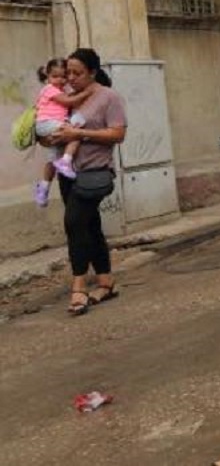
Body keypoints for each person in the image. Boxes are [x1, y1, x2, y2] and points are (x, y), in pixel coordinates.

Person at [44, 48, 126, 316]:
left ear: (92, 72)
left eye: (77, 73)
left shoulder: (107, 97)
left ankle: (78, 285)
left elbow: (117, 133)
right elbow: (51, 124)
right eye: (68, 72)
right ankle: (105, 281)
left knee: (74, 222)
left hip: (94, 172)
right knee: (90, 225)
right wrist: (50, 136)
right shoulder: (66, 97)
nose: (71, 78)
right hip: (68, 173)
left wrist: (80, 132)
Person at [32, 58, 94, 207]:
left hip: (50, 124)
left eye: (63, 76)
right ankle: (65, 161)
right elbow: (67, 102)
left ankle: (44, 188)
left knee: (51, 159)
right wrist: (88, 92)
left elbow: (68, 99)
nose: (60, 80)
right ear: (47, 76)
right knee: (75, 133)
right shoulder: (49, 89)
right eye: (55, 76)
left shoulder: (60, 90)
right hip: (47, 124)